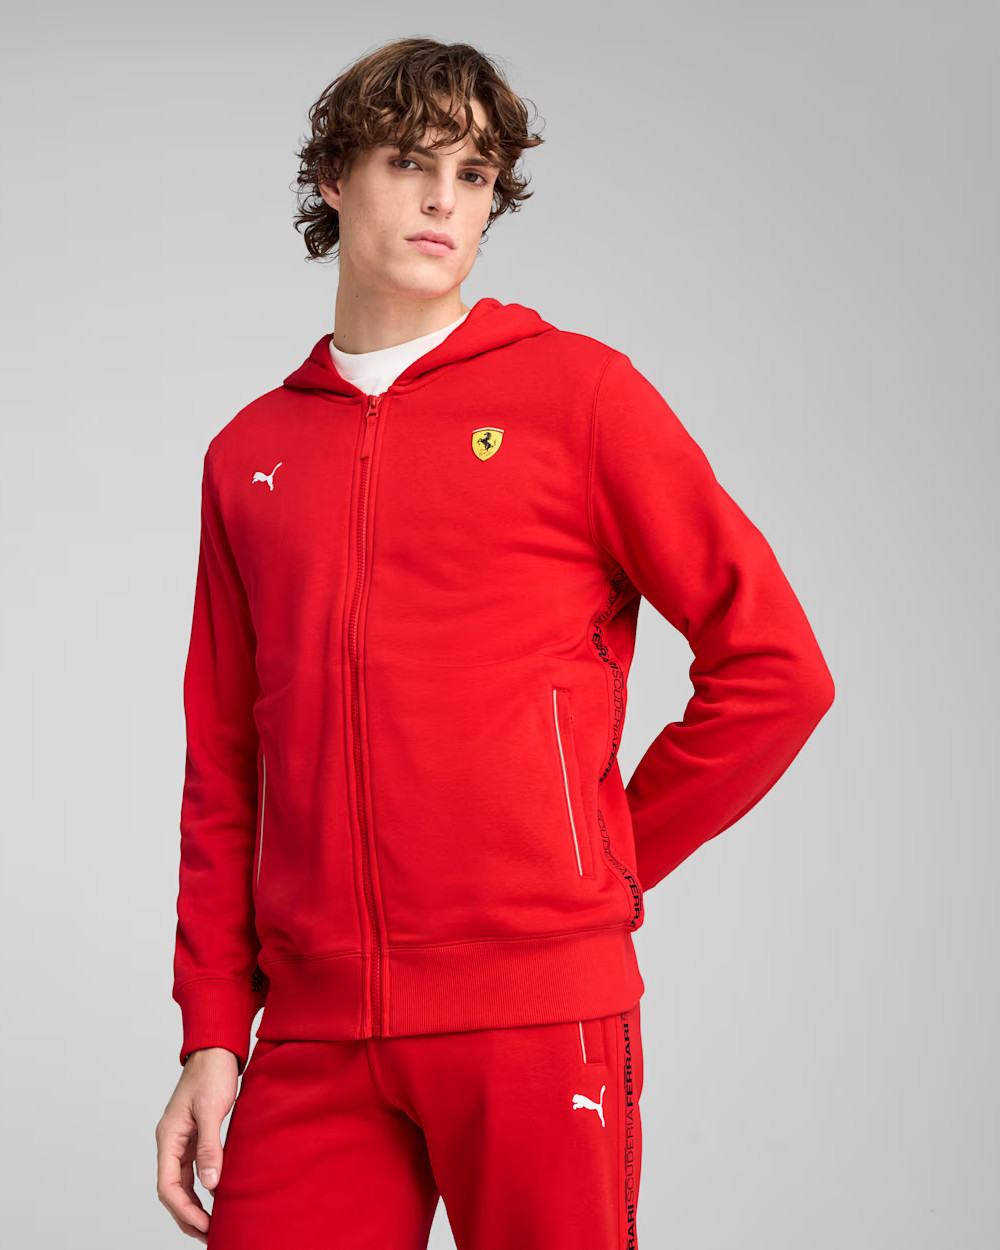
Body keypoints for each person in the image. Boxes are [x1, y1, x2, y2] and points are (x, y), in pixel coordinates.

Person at [154, 35, 835, 1250]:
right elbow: (226, 766)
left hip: (533, 1011)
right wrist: (214, 1027)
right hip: (315, 1029)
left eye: (471, 175)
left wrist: (600, 859)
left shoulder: (578, 397)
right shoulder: (250, 453)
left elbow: (777, 668)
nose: (442, 200)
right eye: (409, 162)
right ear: (332, 177)